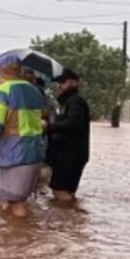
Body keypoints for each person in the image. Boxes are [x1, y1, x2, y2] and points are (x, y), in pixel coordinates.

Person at [0, 54, 47, 218]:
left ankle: (22, 232)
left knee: (15, 202)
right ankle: (12, 231)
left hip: (14, 154)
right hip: (35, 151)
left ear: (1, 70)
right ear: (19, 70)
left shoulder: (1, 92)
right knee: (10, 200)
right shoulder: (34, 91)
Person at [45, 69, 91, 204]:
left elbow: (72, 124)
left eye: (63, 82)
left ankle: (68, 214)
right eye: (59, 82)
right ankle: (72, 214)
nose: (59, 85)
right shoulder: (68, 102)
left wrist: (48, 127)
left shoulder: (76, 102)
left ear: (74, 83)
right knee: (66, 191)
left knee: (59, 190)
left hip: (69, 155)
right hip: (70, 154)